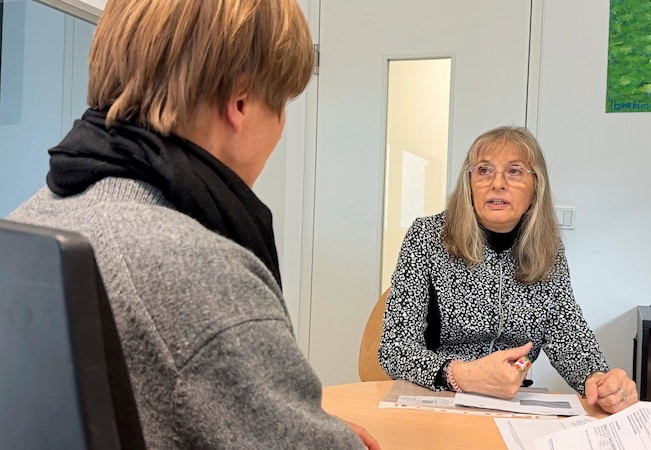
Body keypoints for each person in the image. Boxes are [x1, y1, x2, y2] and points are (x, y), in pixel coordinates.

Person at [8, 0, 378, 448]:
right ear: (240, 102)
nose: (280, 128)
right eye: (279, 104)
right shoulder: (198, 267)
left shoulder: (33, 215)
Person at [378, 126, 637, 414]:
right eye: (484, 171)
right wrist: (462, 375)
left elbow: (567, 333)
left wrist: (599, 379)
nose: (497, 183)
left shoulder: (547, 249)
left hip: (510, 406)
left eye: (514, 171)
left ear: (535, 187)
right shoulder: (427, 237)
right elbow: (395, 348)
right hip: (437, 398)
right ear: (469, 184)